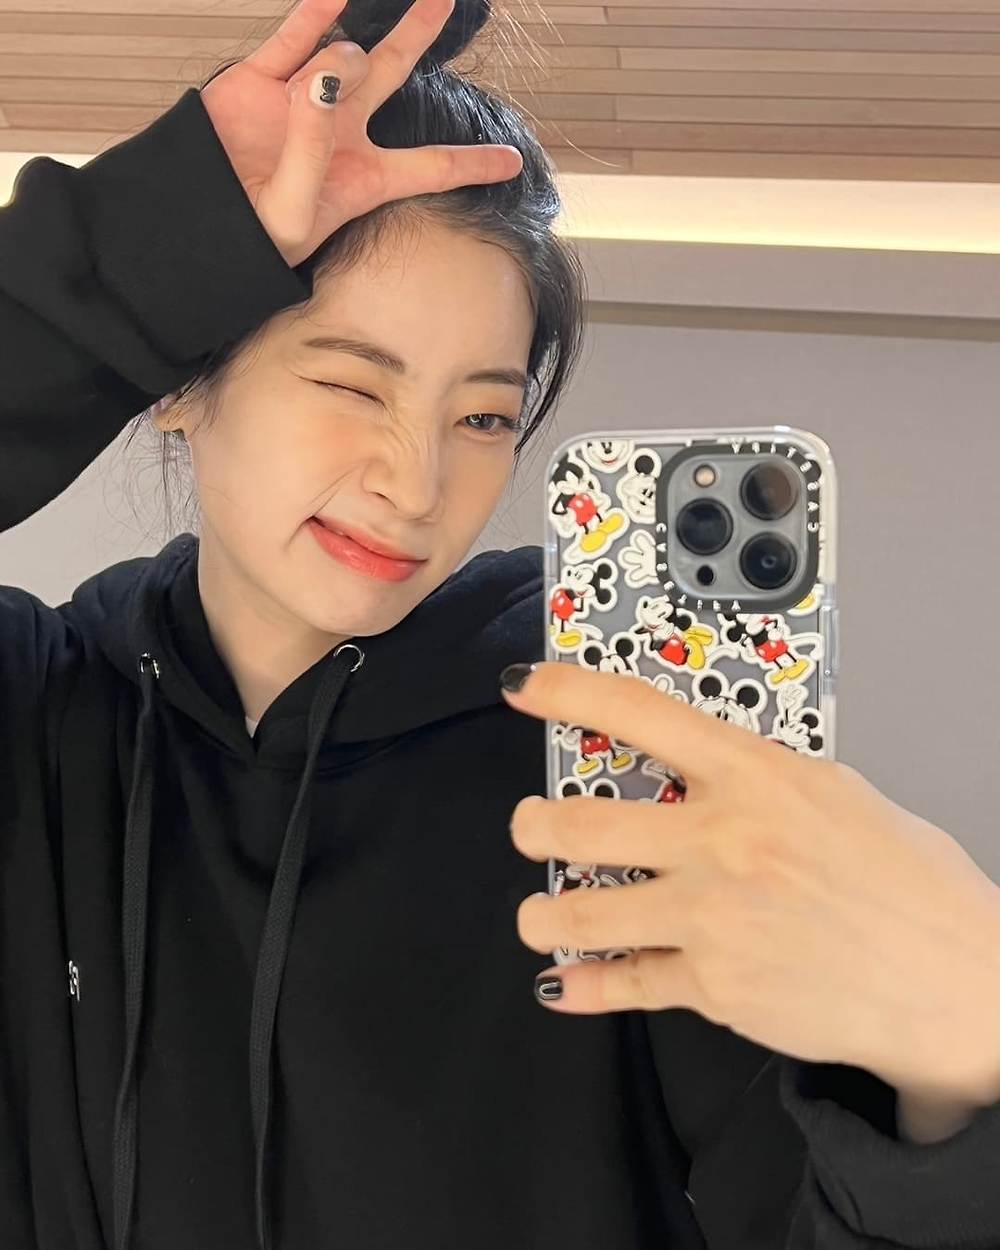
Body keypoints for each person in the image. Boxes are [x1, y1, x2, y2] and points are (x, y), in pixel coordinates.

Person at [2, 0, 1000, 1247]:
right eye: (350, 381)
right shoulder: (41, 715)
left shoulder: (617, 763)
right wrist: (143, 247)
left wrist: (962, 1071)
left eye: (480, 416)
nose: (416, 481)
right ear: (174, 376)